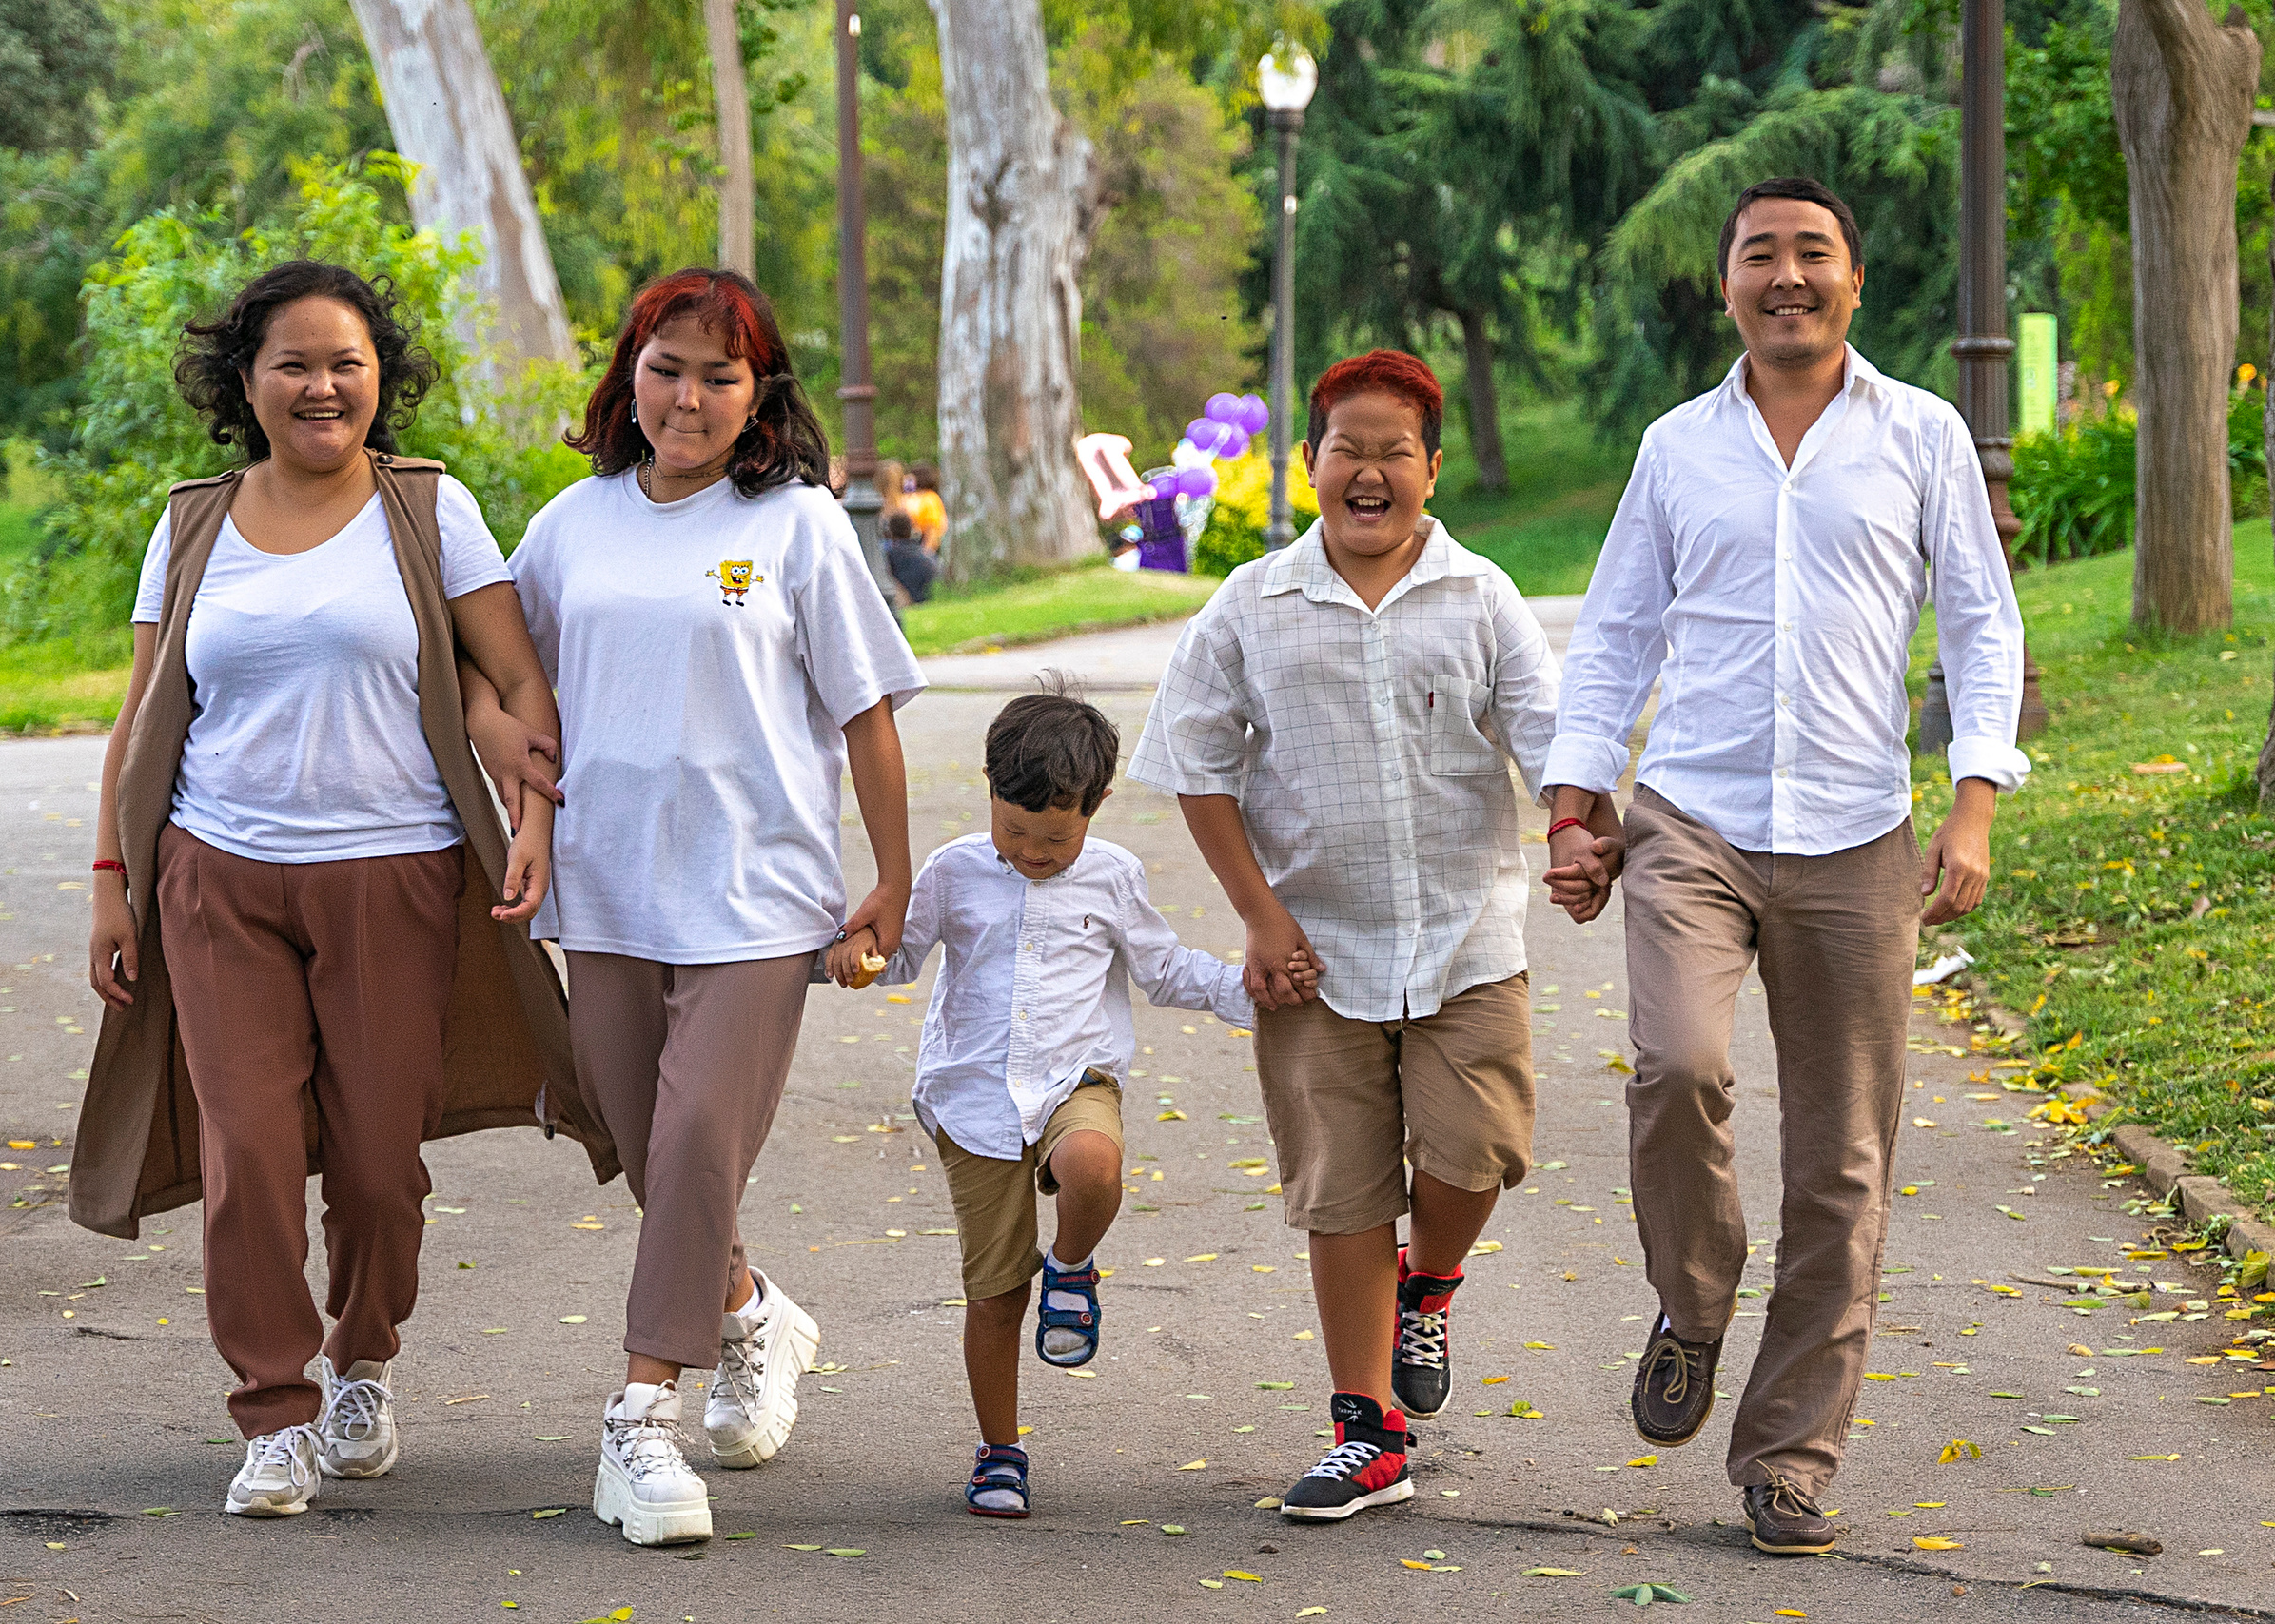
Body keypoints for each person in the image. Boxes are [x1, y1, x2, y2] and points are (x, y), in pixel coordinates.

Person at [73, 260, 612, 1520]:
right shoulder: (192, 519)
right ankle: (273, 1409)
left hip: (396, 875)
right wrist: (113, 880)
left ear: (382, 379)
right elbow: (142, 714)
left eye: (347, 362)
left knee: (376, 1162)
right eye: (294, 363)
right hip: (218, 876)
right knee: (247, 1149)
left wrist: (530, 820)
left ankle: (363, 1353)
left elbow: (519, 687)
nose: (322, 385)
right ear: (244, 384)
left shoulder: (428, 510)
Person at [1539, 176, 2029, 1557]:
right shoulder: (1675, 446)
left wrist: (1973, 803)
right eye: (1763, 254)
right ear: (1729, 284)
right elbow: (1619, 631)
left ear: (1855, 283)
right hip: (1689, 817)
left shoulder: (1921, 432)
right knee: (1677, 1067)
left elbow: (1983, 631)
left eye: (1815, 253)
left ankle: (1788, 1457)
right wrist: (1578, 797)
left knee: (1844, 1162)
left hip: (1860, 833)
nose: (1789, 276)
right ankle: (1695, 1303)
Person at [466, 267, 924, 1549]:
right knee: (641, 1140)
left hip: (760, 903)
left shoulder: (795, 526)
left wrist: (887, 881)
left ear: (757, 395)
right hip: (605, 895)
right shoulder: (571, 523)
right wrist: (523, 786)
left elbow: (868, 717)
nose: (690, 395)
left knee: (694, 1145)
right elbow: (491, 680)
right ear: (630, 376)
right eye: (667, 366)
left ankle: (641, 1421)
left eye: (721, 375)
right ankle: (749, 1307)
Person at [1128, 349, 1581, 1523]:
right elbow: (1194, 761)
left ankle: (1425, 1284)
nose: (1369, 472)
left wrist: (1579, 829)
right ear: (1311, 464)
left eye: (1395, 452)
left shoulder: (1482, 597)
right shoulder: (1251, 605)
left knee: (1478, 1151)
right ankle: (1365, 1428)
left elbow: (1550, 738)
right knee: (1340, 1189)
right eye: (1348, 450)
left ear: (1431, 469)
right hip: (1311, 954)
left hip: (1466, 938)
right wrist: (1257, 914)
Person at [836, 686, 1293, 1518]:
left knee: (1092, 1165)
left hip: (1072, 1079)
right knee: (996, 1291)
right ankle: (1000, 1450)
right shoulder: (953, 871)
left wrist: (1253, 992)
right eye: (1015, 831)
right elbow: (898, 955)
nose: (1035, 851)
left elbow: (1162, 968)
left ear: (1097, 805)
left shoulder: (1114, 877)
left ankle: (1073, 1264)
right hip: (970, 1097)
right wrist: (855, 953)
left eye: (1057, 835)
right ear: (987, 789)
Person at [883, 509, 939, 605]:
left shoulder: (890, 555)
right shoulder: (926, 554)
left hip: (909, 600)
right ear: (910, 529)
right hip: (928, 598)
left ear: (890, 531)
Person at [909, 462, 948, 553]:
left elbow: (932, 529)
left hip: (926, 547)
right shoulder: (923, 497)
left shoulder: (929, 499)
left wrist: (926, 553)